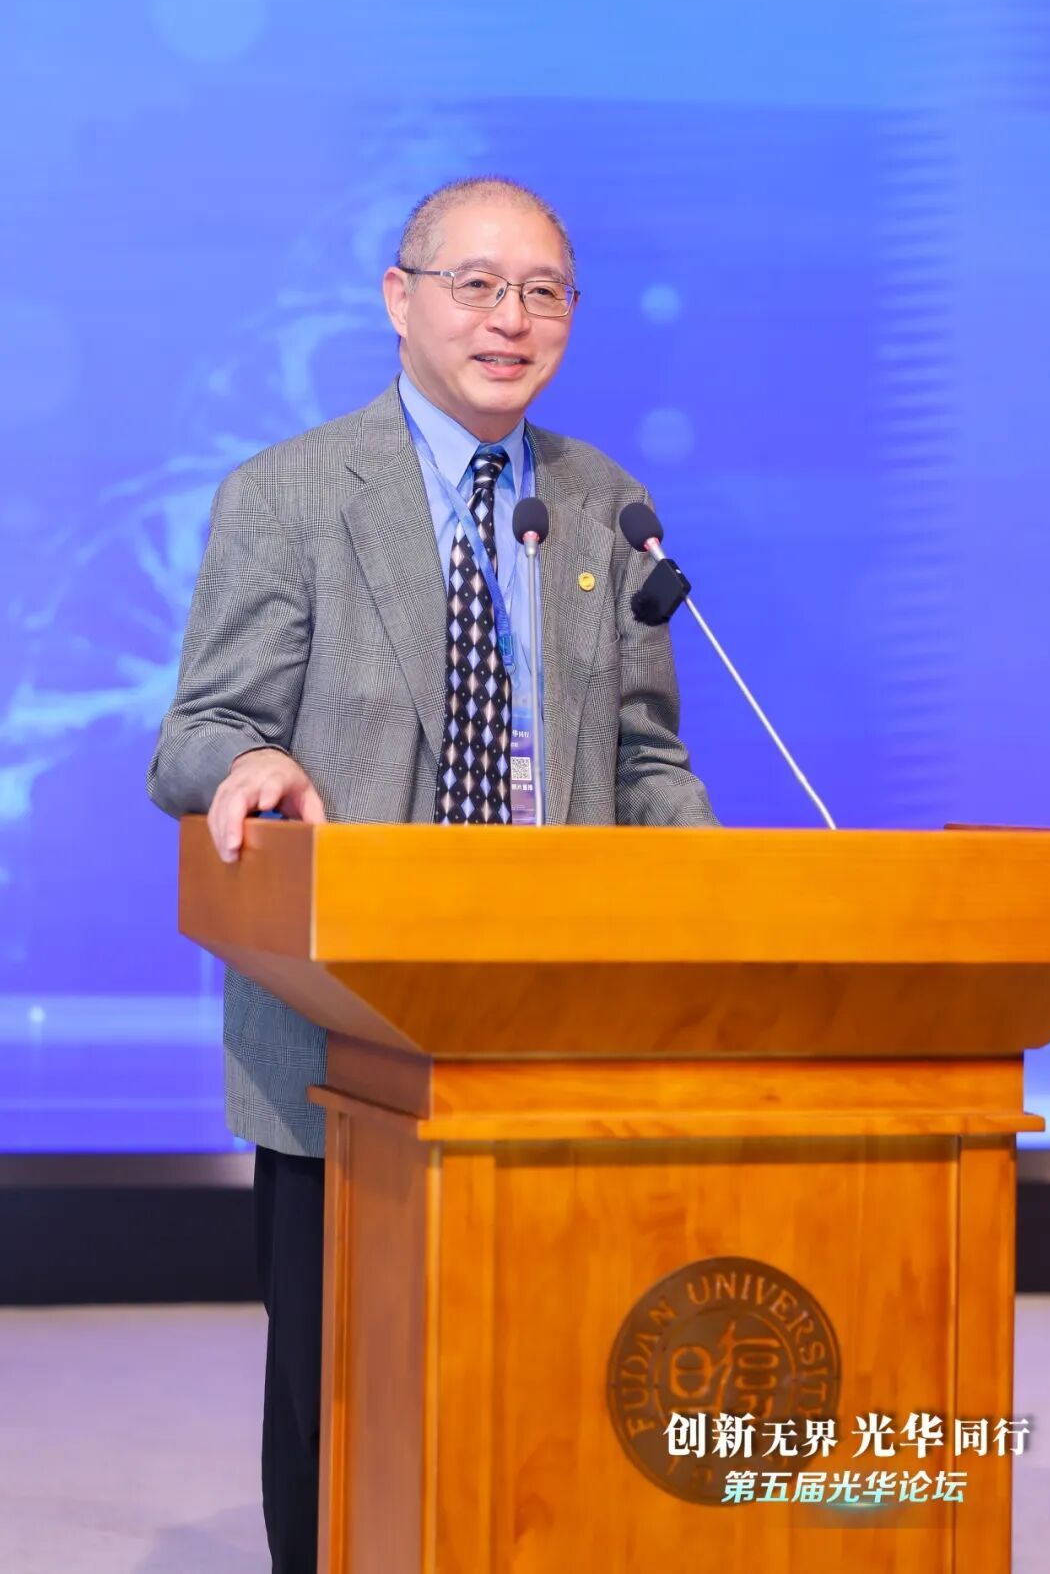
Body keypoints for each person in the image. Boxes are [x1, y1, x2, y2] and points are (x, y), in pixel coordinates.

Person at [147, 175, 717, 1574]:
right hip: (342, 1041)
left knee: (552, 1399)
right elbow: (198, 730)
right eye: (477, 285)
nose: (510, 319)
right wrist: (248, 767)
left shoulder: (604, 506)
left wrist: (721, 891)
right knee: (343, 1416)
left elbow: (645, 756)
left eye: (543, 292)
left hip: (559, 1035)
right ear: (399, 301)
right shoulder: (290, 494)